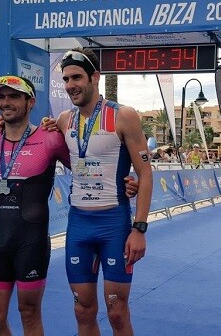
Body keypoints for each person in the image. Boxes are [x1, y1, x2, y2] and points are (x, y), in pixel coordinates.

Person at [56, 47, 153, 335]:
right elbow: (71, 160)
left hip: (114, 224)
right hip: (78, 224)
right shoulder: (63, 120)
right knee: (82, 309)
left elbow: (145, 172)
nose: (70, 85)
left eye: (76, 77)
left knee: (117, 311)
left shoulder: (123, 115)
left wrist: (140, 229)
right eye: (65, 79)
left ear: (94, 77)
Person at [0, 75, 70, 335]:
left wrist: (125, 180)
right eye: (2, 97)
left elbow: (86, 166)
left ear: (31, 102)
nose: (6, 102)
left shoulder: (51, 138)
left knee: (29, 313)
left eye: (14, 96)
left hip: (32, 241)